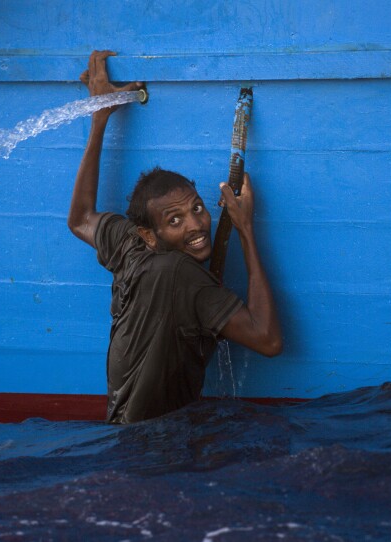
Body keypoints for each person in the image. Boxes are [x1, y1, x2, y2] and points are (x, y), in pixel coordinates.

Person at [68, 50, 282, 424]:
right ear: (150, 235)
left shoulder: (129, 245)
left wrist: (99, 116)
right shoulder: (182, 275)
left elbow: (80, 218)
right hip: (160, 450)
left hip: (122, 435)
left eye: (197, 209)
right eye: (175, 221)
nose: (196, 226)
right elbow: (268, 340)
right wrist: (246, 229)